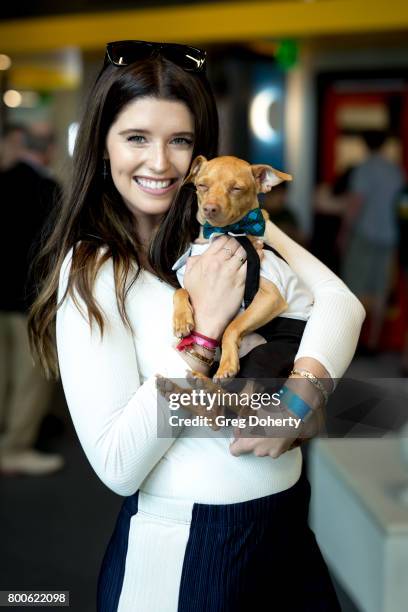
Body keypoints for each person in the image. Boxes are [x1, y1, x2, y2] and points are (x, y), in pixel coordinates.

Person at [28, 40, 365, 611]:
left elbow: (342, 303)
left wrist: (300, 401)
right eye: (136, 137)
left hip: (285, 523)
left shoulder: (229, 223)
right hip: (186, 547)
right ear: (102, 145)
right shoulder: (92, 268)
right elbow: (117, 465)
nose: (160, 163)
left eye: (179, 141)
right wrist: (203, 339)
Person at [0, 123, 64, 475]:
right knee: (30, 381)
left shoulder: (3, 179)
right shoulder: (47, 188)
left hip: (1, 298)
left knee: (3, 376)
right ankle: (14, 449)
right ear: (50, 149)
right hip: (30, 301)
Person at [340, 130, 405, 351]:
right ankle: (374, 341)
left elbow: (356, 203)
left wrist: (344, 232)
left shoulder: (364, 169)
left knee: (356, 287)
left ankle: (354, 342)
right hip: (390, 237)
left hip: (364, 234)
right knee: (380, 290)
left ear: (365, 145)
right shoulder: (395, 171)